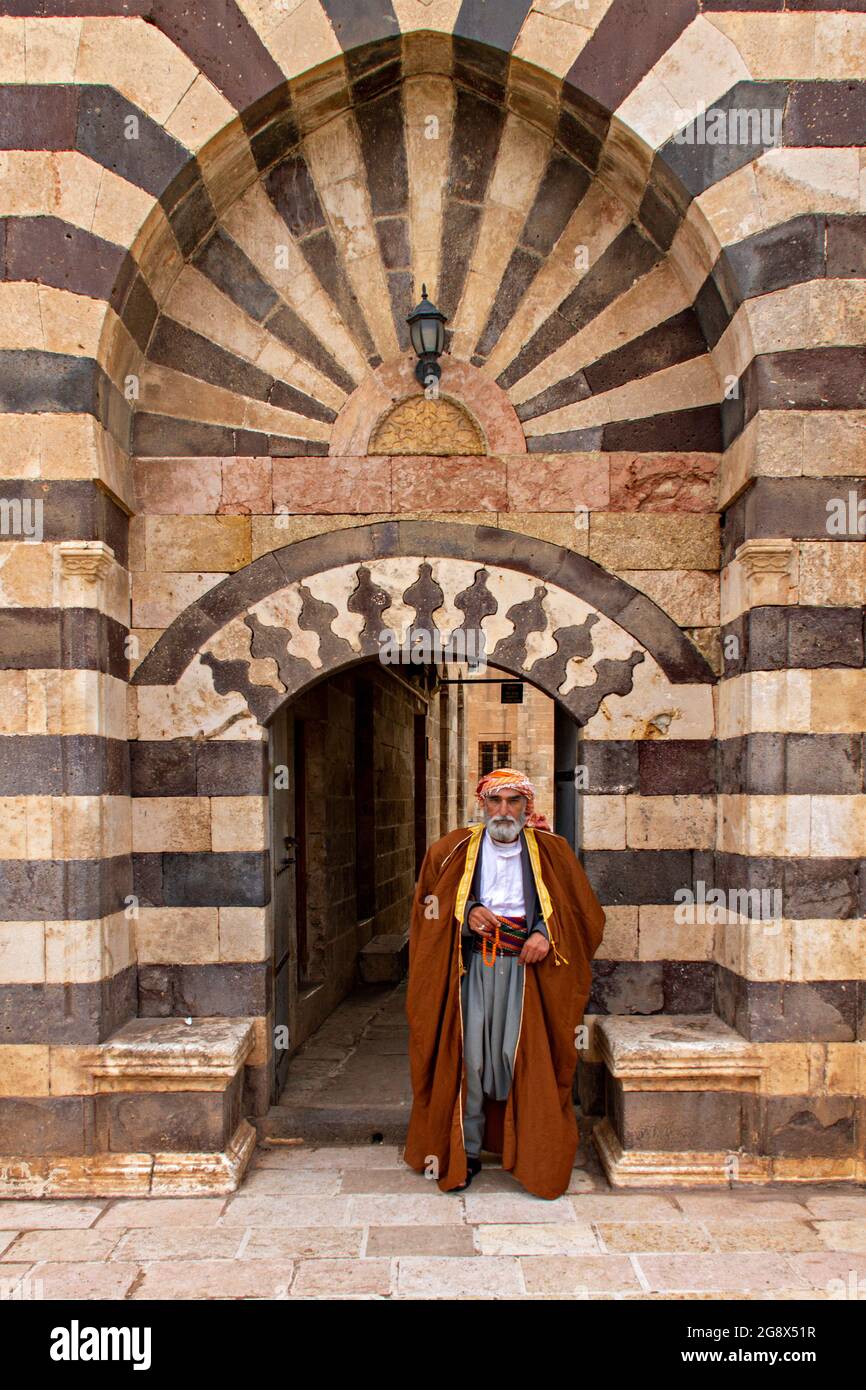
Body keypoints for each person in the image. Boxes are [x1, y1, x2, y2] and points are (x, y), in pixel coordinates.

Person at [403, 767, 606, 1200]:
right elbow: (426, 908)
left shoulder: (553, 851)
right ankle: (467, 1153)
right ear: (482, 805)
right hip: (472, 966)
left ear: (527, 806)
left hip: (528, 973)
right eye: (495, 801)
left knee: (519, 1059)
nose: (504, 810)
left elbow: (582, 914)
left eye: (513, 801)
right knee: (471, 1059)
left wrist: (545, 933)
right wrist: (467, 911)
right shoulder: (452, 849)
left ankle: (530, 1153)